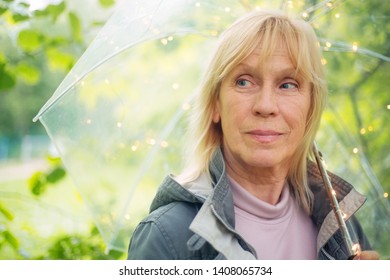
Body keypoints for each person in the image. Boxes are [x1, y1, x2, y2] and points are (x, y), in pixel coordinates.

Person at [127, 9, 379, 260]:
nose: (266, 106)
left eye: (288, 84)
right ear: (216, 103)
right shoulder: (168, 236)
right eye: (244, 82)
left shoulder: (341, 224)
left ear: (310, 108)